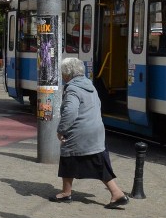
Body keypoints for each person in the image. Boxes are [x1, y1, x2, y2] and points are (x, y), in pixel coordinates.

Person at [51, 57, 129, 209]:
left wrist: (61, 130)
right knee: (98, 161)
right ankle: (116, 193)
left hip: (81, 132)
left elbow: (70, 112)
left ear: (68, 74)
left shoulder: (73, 89)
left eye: (62, 73)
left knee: (67, 155)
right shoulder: (90, 85)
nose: (62, 76)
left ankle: (66, 193)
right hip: (96, 130)